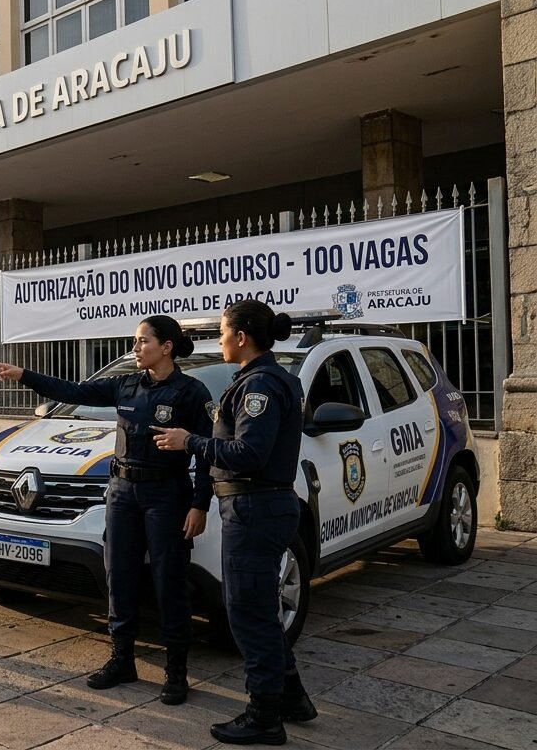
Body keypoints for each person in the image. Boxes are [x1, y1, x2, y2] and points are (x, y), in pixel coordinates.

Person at [0, 314, 214, 705]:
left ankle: (176, 673)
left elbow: (209, 454)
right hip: (123, 493)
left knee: (169, 581)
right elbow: (74, 391)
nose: (135, 347)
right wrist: (24, 374)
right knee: (119, 576)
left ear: (167, 347)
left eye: (143, 341)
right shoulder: (126, 385)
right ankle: (121, 659)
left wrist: (199, 504)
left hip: (166, 495)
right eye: (135, 340)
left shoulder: (191, 393)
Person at [152, 300, 316, 745]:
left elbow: (248, 454)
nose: (219, 340)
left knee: (247, 615)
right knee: (261, 609)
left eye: (223, 332)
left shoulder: (260, 385)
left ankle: (264, 716)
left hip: (255, 509)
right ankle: (292, 697)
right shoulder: (271, 378)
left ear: (241, 337)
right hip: (259, 507)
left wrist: (192, 442)